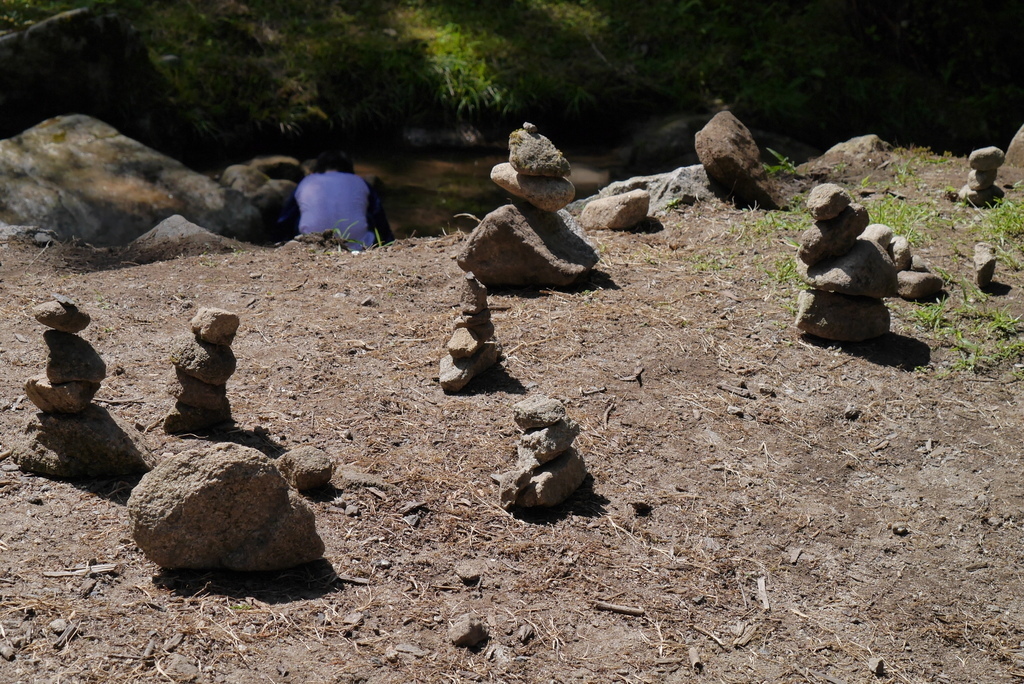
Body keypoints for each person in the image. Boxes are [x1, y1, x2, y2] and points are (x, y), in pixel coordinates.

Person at [275, 150, 394, 249]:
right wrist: (390, 243)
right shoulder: (360, 182)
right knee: (366, 213)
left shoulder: (307, 182)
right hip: (359, 246)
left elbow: (285, 220)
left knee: (299, 212)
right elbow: (380, 219)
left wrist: (277, 242)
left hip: (310, 244)